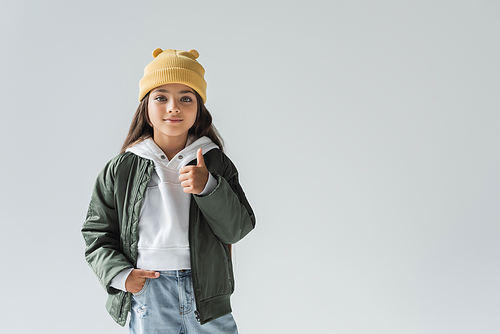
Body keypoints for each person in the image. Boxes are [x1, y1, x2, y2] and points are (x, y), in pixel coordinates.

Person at [81, 48, 255, 334]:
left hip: (206, 293)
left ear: (198, 108)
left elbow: (237, 229)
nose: (173, 107)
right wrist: (121, 275)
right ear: (146, 109)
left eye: (186, 98)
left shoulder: (213, 161)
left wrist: (209, 187)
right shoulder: (123, 167)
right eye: (161, 97)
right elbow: (96, 232)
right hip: (149, 289)